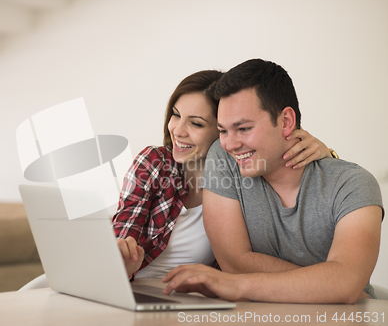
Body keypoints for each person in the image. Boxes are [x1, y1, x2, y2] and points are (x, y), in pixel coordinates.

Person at [162, 59, 384, 303]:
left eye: (244, 128)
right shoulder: (223, 158)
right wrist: (326, 284)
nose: (231, 144)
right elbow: (234, 263)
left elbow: (345, 282)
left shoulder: (352, 184)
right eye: (223, 130)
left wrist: (339, 285)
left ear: (286, 121)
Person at [113, 69, 335, 279]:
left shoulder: (245, 178)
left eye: (196, 123)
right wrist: (123, 260)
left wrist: (327, 154)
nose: (178, 131)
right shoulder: (154, 162)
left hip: (194, 302)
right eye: (176, 115)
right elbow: (123, 233)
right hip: (134, 288)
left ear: (221, 130)